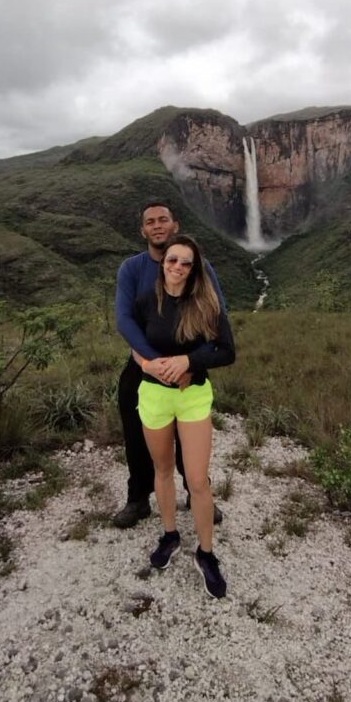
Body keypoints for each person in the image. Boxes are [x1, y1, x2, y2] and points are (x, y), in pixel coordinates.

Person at [134, 233, 235, 599]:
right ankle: (170, 534)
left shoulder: (206, 304)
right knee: (162, 471)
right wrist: (149, 363)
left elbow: (226, 352)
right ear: (164, 263)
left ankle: (206, 554)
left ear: (195, 269)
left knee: (197, 480)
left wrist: (188, 361)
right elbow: (135, 347)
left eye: (185, 262)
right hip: (155, 396)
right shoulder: (146, 302)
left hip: (192, 397)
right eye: (172, 259)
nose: (177, 266)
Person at [113, 203, 226, 529]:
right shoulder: (132, 269)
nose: (157, 226)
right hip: (143, 366)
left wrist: (191, 362)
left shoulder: (200, 267)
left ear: (175, 225)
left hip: (189, 367)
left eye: (163, 220)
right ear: (143, 230)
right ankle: (138, 500)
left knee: (189, 435)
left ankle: (196, 492)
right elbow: (124, 319)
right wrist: (154, 363)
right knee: (136, 436)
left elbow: (217, 317)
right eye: (150, 222)